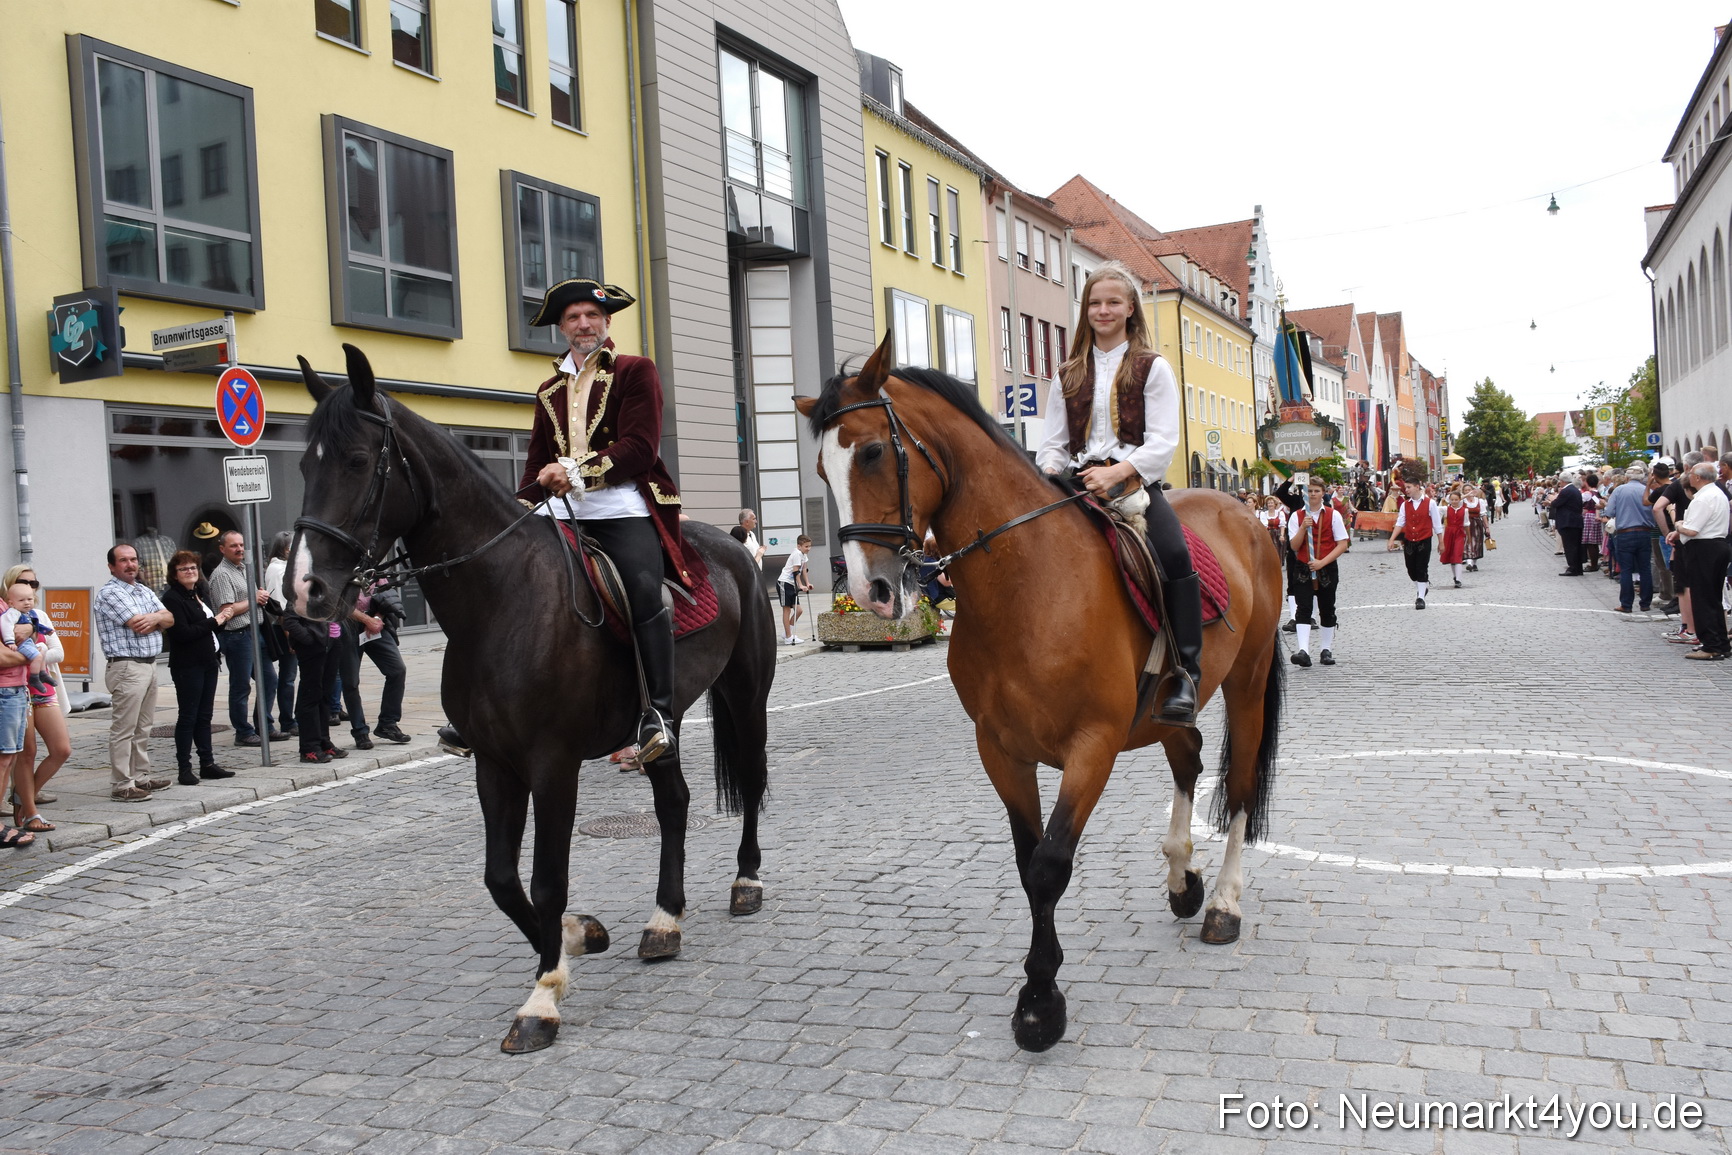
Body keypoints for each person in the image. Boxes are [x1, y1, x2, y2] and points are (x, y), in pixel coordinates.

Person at [510, 276, 699, 763]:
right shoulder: (548, 389)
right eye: (573, 317)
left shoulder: (637, 370)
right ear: (561, 328)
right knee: (502, 584)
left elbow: (640, 447)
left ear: (607, 321)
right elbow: (535, 465)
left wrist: (574, 471)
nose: (583, 323)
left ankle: (657, 713)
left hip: (619, 505)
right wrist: (515, 509)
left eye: (592, 315)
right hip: (559, 510)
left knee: (643, 594)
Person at [1036, 260, 1200, 724]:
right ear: (1085, 309)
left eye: (1112, 302)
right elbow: (1051, 442)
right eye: (1094, 302)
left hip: (1135, 486)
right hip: (1073, 483)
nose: (1103, 310)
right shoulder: (1066, 373)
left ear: (1130, 308)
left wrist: (1117, 472)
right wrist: (1049, 474)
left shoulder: (1153, 366)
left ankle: (1186, 673)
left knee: (1173, 553)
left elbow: (1164, 441)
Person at [95, 544, 175, 801]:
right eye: (123, 561)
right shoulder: (110, 593)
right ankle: (121, 784)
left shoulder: (142, 589)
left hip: (148, 664)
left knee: (143, 727)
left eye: (133, 559)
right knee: (124, 729)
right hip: (127, 666)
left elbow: (170, 618)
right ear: (111, 566)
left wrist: (156, 618)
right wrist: (157, 619)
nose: (130, 565)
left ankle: (140, 777)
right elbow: (137, 624)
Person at [161, 550, 247, 784]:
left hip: (209, 661)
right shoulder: (172, 598)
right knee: (188, 716)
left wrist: (223, 618)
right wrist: (215, 621)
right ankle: (184, 768)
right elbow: (182, 633)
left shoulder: (199, 593)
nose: (190, 572)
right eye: (184, 569)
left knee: (205, 716)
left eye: (193, 568)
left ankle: (207, 763)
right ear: (175, 574)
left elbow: (209, 628)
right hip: (188, 665)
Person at [2, 565, 70, 835]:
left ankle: (21, 798)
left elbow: (59, 653)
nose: (30, 587)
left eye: (34, 583)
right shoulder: (6, 615)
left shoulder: (38, 615)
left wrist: (36, 649)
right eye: (23, 582)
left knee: (61, 749)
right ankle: (30, 812)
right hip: (19, 689)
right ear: (10, 585)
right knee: (25, 754)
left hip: (43, 689)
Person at [206, 529, 280, 746]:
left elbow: (251, 599)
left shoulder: (243, 569)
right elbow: (226, 610)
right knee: (241, 685)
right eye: (233, 546)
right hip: (237, 636)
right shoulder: (221, 575)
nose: (239, 549)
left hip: (255, 633)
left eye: (241, 545)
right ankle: (243, 731)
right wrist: (254, 598)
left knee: (269, 679)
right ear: (222, 549)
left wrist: (261, 597)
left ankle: (264, 726)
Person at [1669, 461, 1730, 660]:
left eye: (1692, 473)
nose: (1690, 476)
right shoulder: (1716, 493)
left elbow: (1693, 530)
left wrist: (1678, 525)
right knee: (1712, 598)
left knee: (1703, 597)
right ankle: (1720, 643)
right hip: (1715, 545)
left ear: (1698, 477)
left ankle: (1711, 645)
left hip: (1705, 548)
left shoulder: (1704, 497)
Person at [1286, 477, 1348, 668]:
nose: (1312, 494)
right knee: (1303, 608)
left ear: (1323, 493)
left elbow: (1342, 544)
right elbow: (1294, 546)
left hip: (1326, 567)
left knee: (1327, 608)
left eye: (1316, 491)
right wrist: (1303, 528)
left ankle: (1325, 649)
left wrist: (1322, 562)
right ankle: (1303, 651)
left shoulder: (1333, 515)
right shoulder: (1297, 516)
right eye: (1309, 491)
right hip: (1303, 567)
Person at [356, 579, 411, 743]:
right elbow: (337, 603)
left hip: (376, 625)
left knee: (397, 670)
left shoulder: (373, 567)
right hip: (349, 624)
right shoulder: (340, 563)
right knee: (350, 681)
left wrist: (377, 618)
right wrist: (365, 620)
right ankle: (359, 732)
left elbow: (386, 594)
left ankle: (388, 724)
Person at [1604, 462, 1655, 614]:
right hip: (1645, 531)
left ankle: (1626, 604)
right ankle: (1645, 603)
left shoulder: (1619, 490)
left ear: (1626, 476)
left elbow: (1610, 511)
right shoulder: (1648, 490)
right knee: (1645, 568)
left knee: (1626, 569)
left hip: (1625, 532)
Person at [262, 531, 299, 736]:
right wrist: (290, 635)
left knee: (289, 676)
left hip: (290, 625)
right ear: (286, 549)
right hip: (283, 627)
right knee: (287, 676)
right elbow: (279, 607)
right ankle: (287, 720)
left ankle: (289, 718)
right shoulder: (277, 570)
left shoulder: (285, 567)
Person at [1387, 475, 1444, 609]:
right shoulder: (1405, 505)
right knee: (1411, 569)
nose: (1406, 490)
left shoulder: (1430, 503)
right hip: (1409, 540)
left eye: (1409, 487)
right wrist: (1391, 539)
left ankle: (1420, 597)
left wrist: (1441, 542)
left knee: (1421, 567)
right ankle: (1422, 586)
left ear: (1417, 487)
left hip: (1424, 539)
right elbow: (1400, 522)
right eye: (1405, 488)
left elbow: (1437, 524)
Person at [776, 535, 813, 645]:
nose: (808, 548)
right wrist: (800, 585)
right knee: (787, 610)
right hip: (784, 583)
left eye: (810, 546)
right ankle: (788, 637)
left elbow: (804, 571)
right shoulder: (797, 554)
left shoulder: (803, 555)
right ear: (799, 546)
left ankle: (788, 632)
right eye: (806, 546)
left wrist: (808, 583)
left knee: (799, 610)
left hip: (791, 584)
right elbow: (795, 572)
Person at [1550, 475, 1585, 576]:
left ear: (1562, 481)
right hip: (1575, 521)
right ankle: (1578, 568)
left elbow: (1556, 503)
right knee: (1576, 545)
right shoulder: (1574, 489)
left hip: (1568, 522)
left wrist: (1551, 501)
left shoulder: (1566, 491)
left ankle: (1573, 568)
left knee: (1570, 546)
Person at [1438, 488, 1468, 588]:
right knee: (1451, 555)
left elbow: (1466, 524)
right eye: (1452, 500)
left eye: (1456, 499)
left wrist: (1468, 536)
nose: (1454, 501)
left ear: (1460, 500)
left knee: (1457, 555)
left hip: (1459, 533)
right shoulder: (1445, 509)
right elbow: (1436, 510)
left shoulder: (1465, 511)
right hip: (1449, 533)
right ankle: (1455, 577)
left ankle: (1459, 579)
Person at [1579, 472, 1604, 572]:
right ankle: (1594, 563)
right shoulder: (1597, 493)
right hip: (1596, 515)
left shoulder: (1587, 494)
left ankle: (1593, 564)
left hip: (1589, 516)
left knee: (1590, 542)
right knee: (1594, 542)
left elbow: (1579, 502)